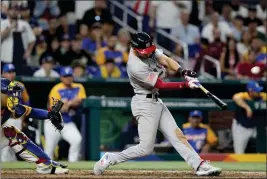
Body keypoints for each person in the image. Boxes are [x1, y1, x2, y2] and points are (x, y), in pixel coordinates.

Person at [93, 32, 221, 176]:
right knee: (145, 149)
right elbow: (161, 84)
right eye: (144, 52)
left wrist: (182, 71)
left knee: (177, 135)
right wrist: (186, 85)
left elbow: (165, 59)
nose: (148, 54)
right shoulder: (135, 65)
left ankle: (199, 165)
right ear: (135, 49)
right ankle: (111, 158)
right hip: (144, 103)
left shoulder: (148, 48)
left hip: (155, 100)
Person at [0, 78, 68, 174]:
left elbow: (32, 112)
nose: (12, 97)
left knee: (11, 133)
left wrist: (49, 115)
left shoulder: (8, 107)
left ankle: (45, 163)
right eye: (8, 94)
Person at [45, 67, 86, 162]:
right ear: (61, 77)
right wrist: (70, 103)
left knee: (77, 140)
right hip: (53, 123)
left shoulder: (79, 86)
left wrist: (67, 102)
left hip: (67, 122)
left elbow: (80, 100)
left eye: (70, 76)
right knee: (49, 149)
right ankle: (45, 168)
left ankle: (73, 164)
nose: (68, 78)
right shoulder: (56, 89)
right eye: (66, 76)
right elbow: (57, 108)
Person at [0, 64, 30, 161]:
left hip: (16, 119)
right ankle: (6, 165)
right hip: (4, 118)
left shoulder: (20, 86)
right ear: (2, 73)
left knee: (14, 144)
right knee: (6, 144)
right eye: (8, 72)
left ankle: (10, 166)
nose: (11, 74)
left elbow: (26, 103)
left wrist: (23, 119)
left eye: (12, 72)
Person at [1, 3, 36, 75]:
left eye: (16, 10)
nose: (14, 12)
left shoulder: (24, 24)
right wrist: (11, 27)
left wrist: (28, 51)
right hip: (6, 57)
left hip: (21, 57)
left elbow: (32, 39)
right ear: (8, 11)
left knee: (21, 78)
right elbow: (1, 36)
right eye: (12, 10)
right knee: (6, 79)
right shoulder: (3, 23)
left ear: (19, 12)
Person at [232, 80, 266, 154]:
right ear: (250, 91)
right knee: (239, 152)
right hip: (241, 127)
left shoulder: (262, 96)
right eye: (256, 91)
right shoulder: (244, 95)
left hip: (256, 127)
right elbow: (235, 97)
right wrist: (247, 108)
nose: (259, 92)